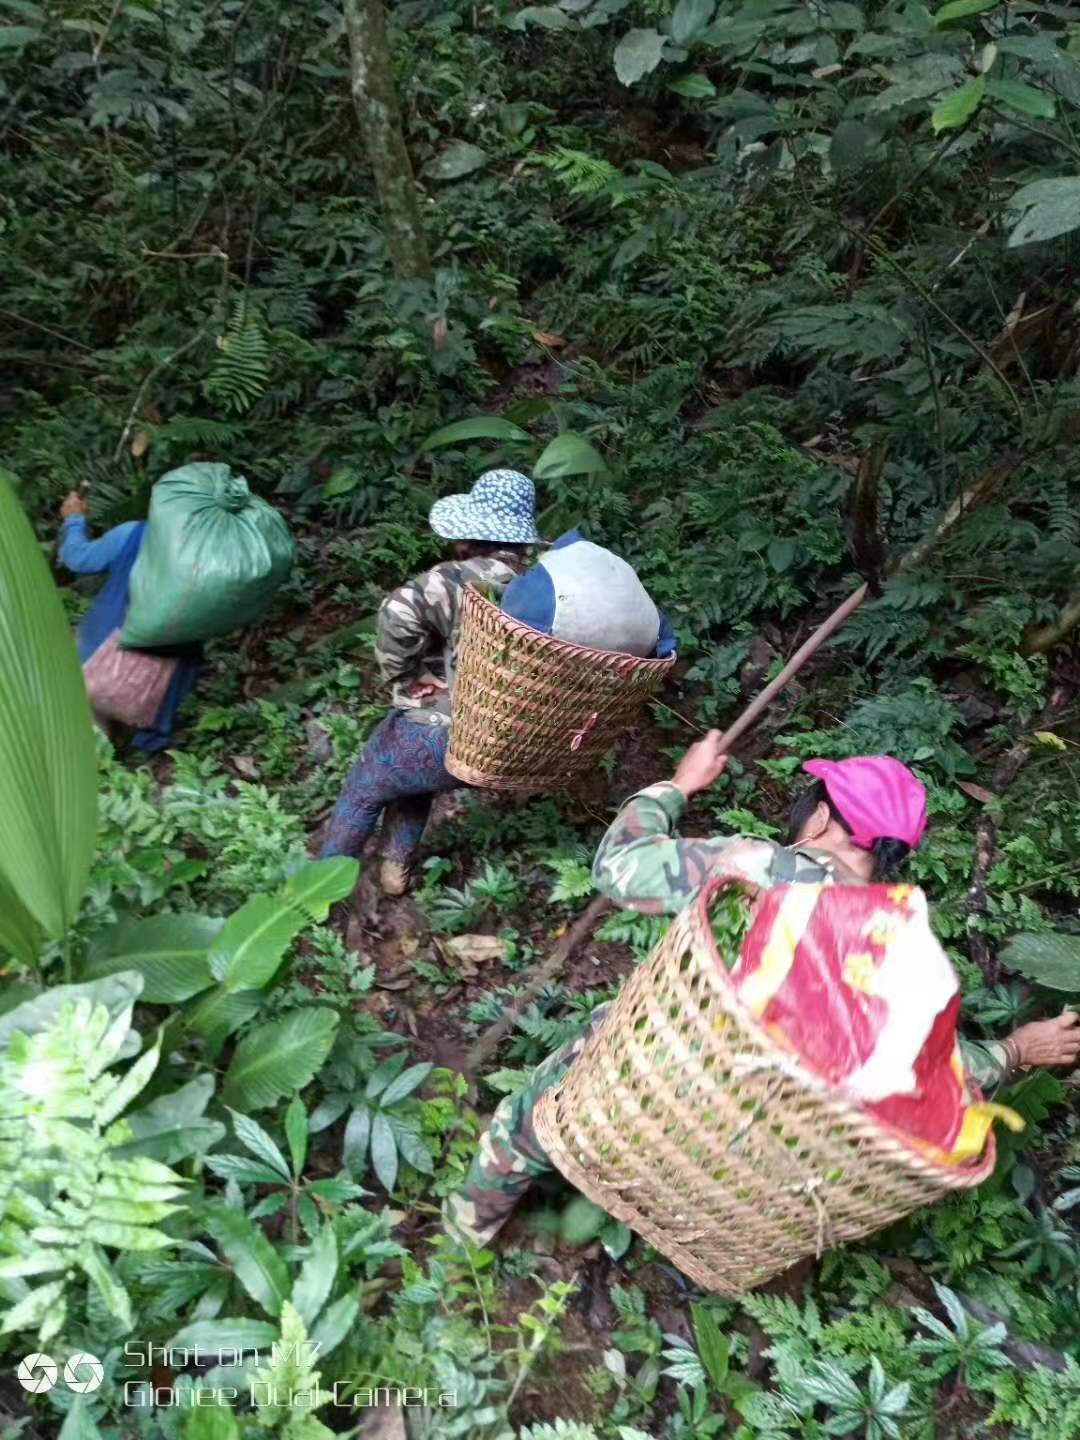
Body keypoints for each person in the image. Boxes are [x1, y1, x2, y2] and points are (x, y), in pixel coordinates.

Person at [444, 736, 1080, 1246]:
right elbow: (936, 1071)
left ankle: (467, 1231)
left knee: (525, 1119)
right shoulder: (900, 946)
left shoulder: (765, 869)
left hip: (652, 1074)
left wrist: (677, 785)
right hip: (749, 1149)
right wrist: (1019, 1049)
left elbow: (618, 866)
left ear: (823, 816)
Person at [321, 469, 541, 896]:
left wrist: (406, 673)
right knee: (408, 778)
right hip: (508, 744)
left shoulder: (456, 580)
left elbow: (397, 612)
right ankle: (394, 870)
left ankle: (317, 893)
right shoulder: (538, 586)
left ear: (467, 538)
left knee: (364, 788)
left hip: (448, 737)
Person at [58, 491, 201, 752]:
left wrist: (74, 519)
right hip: (158, 690)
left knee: (86, 713)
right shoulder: (216, 559)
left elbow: (77, 558)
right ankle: (139, 761)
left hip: (99, 667)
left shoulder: (135, 534)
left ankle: (95, 760)